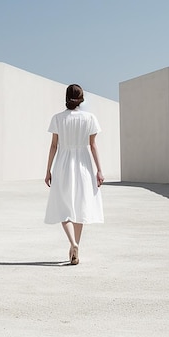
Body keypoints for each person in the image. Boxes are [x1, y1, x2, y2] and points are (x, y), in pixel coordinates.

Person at [44, 84, 104, 265]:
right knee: (80, 207)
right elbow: (93, 145)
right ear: (81, 98)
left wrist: (48, 170)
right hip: (83, 165)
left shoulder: (58, 118)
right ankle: (75, 246)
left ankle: (73, 243)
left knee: (64, 207)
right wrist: (99, 170)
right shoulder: (90, 118)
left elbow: (54, 145)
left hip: (63, 164)